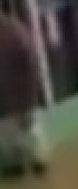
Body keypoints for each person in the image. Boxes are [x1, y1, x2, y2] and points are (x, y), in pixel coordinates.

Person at [0, 13, 47, 178]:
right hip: (11, 102)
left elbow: (31, 66)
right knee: (23, 140)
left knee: (27, 138)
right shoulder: (16, 31)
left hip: (17, 100)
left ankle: (27, 166)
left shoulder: (15, 34)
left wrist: (31, 96)